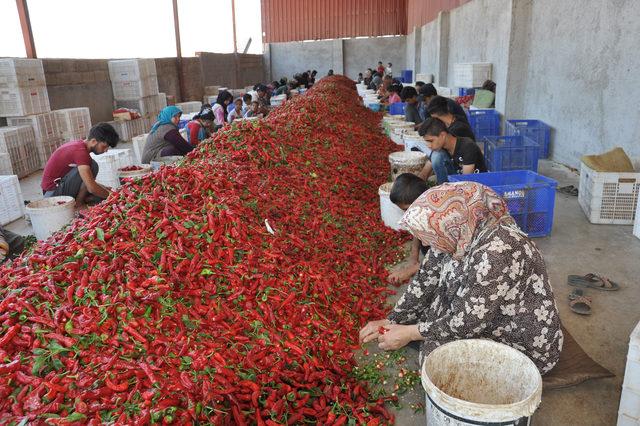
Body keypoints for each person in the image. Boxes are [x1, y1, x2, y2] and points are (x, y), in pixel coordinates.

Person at [359, 181, 563, 374]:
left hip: (517, 335)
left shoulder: (498, 251)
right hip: (481, 310)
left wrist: (410, 333)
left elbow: (468, 321)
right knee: (424, 320)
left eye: (429, 236)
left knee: (435, 362)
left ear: (453, 220)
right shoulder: (456, 231)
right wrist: (392, 320)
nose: (428, 245)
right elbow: (425, 281)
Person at [41, 122, 119, 209]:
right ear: (93, 141)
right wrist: (115, 197)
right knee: (91, 167)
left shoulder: (80, 145)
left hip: (60, 187)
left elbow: (89, 182)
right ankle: (79, 204)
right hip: (53, 194)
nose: (106, 150)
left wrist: (104, 188)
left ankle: (79, 201)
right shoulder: (80, 152)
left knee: (93, 168)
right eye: (104, 147)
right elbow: (91, 187)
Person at [387, 173, 430, 283]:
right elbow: (416, 230)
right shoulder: (421, 211)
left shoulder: (437, 218)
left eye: (406, 209)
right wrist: (414, 257)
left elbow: (444, 256)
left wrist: (411, 270)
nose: (406, 214)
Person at [417, 117, 486, 184]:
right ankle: (443, 189)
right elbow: (424, 174)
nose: (429, 145)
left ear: (442, 135)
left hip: (475, 184)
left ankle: (443, 190)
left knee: (436, 156)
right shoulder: (439, 148)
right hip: (456, 181)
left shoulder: (468, 146)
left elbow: (466, 182)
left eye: (431, 141)